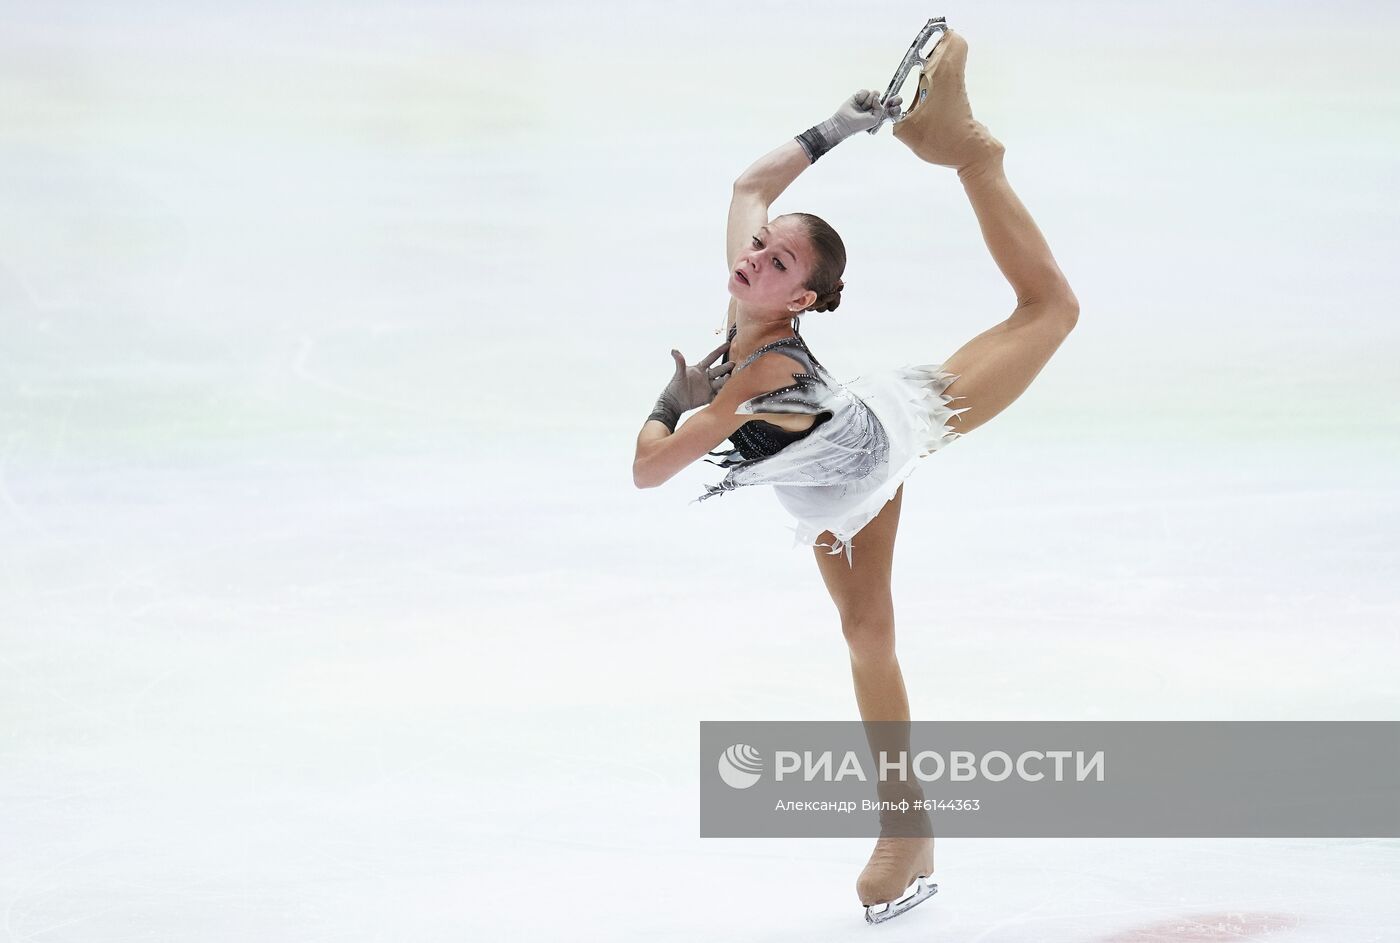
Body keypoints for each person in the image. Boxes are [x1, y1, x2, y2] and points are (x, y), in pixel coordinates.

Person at [632, 27, 1079, 923]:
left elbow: (649, 469)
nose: (753, 255)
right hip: (828, 489)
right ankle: (908, 829)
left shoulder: (761, 373)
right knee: (867, 637)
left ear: (799, 300)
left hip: (890, 437)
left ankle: (976, 157)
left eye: (778, 262)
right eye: (762, 251)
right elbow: (749, 187)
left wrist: (671, 400)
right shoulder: (746, 299)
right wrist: (835, 129)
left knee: (1051, 310)